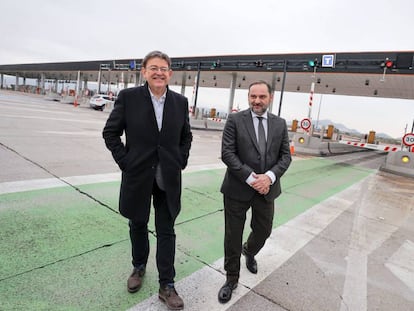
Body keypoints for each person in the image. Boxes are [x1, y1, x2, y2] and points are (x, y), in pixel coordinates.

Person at [103, 50, 192, 310]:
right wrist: (126, 162)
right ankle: (138, 267)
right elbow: (110, 133)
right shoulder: (129, 98)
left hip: (168, 178)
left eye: (163, 68)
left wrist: (180, 160)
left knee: (167, 230)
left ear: (170, 73)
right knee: (137, 224)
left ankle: (167, 285)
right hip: (138, 175)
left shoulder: (180, 102)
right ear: (144, 71)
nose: (158, 72)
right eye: (153, 68)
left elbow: (186, 137)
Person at [218, 81, 292, 304]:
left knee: (263, 230)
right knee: (233, 235)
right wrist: (252, 178)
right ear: (248, 97)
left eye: (262, 96)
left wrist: (268, 177)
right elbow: (227, 153)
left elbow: (285, 156)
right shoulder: (235, 120)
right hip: (237, 187)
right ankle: (231, 278)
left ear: (270, 97)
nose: (257, 101)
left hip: (267, 189)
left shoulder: (280, 124)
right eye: (253, 96)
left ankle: (249, 251)